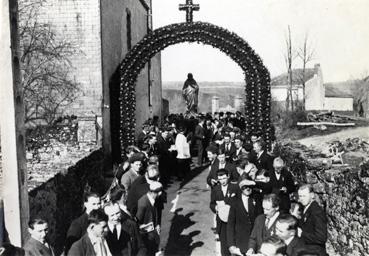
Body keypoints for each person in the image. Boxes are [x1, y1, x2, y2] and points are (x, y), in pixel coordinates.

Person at [227, 179, 262, 256]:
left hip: (255, 241)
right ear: (240, 188)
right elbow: (230, 224)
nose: (248, 189)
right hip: (240, 241)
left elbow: (269, 187)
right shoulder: (235, 201)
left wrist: (255, 183)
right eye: (245, 187)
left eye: (250, 187)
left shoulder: (256, 198)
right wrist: (231, 244)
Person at [210, 169, 239, 256]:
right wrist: (216, 207)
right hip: (222, 221)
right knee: (224, 245)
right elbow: (212, 204)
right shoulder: (215, 189)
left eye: (224, 178)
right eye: (220, 179)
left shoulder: (235, 187)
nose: (222, 181)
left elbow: (239, 202)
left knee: (234, 243)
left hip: (233, 220)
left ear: (228, 176)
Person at [297, 184, 328, 256]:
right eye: (300, 196)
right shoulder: (305, 207)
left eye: (304, 196)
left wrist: (302, 234)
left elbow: (321, 238)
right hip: (306, 248)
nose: (301, 199)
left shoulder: (317, 212)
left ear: (312, 195)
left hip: (315, 252)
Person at [136, 182, 163, 256]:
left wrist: (157, 225)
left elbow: (155, 214)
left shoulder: (154, 200)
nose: (160, 194)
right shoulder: (143, 203)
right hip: (146, 237)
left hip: (153, 235)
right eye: (158, 192)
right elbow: (138, 222)